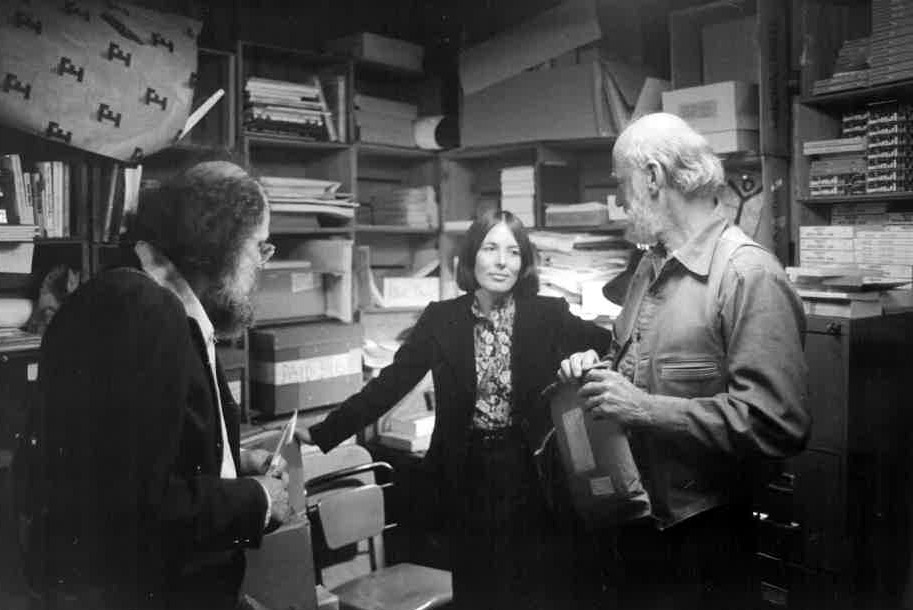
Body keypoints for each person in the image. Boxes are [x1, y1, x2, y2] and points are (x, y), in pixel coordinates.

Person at [298, 209, 613, 610]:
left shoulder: (548, 315)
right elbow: (389, 384)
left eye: (514, 252)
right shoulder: (441, 319)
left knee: (533, 587)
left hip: (531, 472)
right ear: (470, 258)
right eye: (491, 248)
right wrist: (324, 432)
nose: (502, 261)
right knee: (477, 589)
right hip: (467, 473)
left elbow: (611, 344)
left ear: (524, 262)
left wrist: (587, 356)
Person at [558, 112, 810, 610]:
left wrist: (641, 408)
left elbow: (779, 424)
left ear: (652, 178)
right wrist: (596, 369)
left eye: (620, 184)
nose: (619, 201)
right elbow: (627, 364)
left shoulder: (747, 274)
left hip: (705, 542)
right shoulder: (649, 267)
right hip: (637, 524)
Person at [19, 160, 292, 610]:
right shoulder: (145, 311)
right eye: (259, 247)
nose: (261, 264)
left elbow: (129, 454)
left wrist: (227, 456)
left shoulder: (143, 297)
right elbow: (133, 509)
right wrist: (256, 500)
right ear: (220, 241)